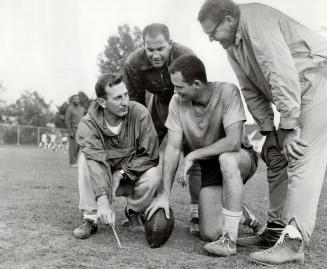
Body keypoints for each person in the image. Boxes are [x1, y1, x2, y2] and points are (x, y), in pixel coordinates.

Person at [198, 0, 327, 265]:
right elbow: (250, 89)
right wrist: (269, 131)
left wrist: (289, 126)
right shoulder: (232, 44)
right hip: (298, 93)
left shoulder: (255, 20)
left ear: (228, 21)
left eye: (212, 33)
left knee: (300, 154)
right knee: (276, 156)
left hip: (319, 85)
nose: (211, 39)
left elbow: (281, 71)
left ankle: (293, 243)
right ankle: (276, 232)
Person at [146, 55, 260, 257]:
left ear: (197, 84)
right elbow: (172, 148)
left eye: (179, 87)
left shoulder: (227, 91)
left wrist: (193, 155)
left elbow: (233, 142)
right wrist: (164, 195)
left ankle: (229, 241)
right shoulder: (176, 103)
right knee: (209, 234)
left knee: (226, 159)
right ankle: (243, 214)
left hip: (239, 157)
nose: (175, 91)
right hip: (210, 168)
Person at [123, 23, 201, 235]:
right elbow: (135, 103)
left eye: (160, 49)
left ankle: (197, 213)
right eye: (150, 49)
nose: (155, 55)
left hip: (185, 104)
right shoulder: (134, 63)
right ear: (143, 46)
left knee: (194, 153)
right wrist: (139, 135)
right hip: (157, 105)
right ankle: (134, 210)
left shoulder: (186, 57)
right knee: (142, 152)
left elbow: (197, 91)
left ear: (170, 43)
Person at [73, 73, 161, 239]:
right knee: (85, 159)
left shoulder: (139, 113)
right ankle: (90, 218)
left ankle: (134, 211)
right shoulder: (88, 124)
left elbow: (150, 155)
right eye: (118, 98)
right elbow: (96, 162)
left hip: (129, 173)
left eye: (126, 94)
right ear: (102, 102)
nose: (125, 101)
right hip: (102, 172)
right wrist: (103, 200)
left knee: (154, 173)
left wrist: (122, 173)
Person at [65, 94, 86, 167]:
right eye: (75, 99)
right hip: (73, 129)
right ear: (72, 100)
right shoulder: (70, 109)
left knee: (78, 146)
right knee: (73, 147)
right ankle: (72, 162)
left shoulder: (82, 109)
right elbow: (67, 121)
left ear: (79, 100)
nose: (76, 100)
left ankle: (75, 161)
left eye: (77, 99)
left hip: (81, 130)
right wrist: (70, 131)